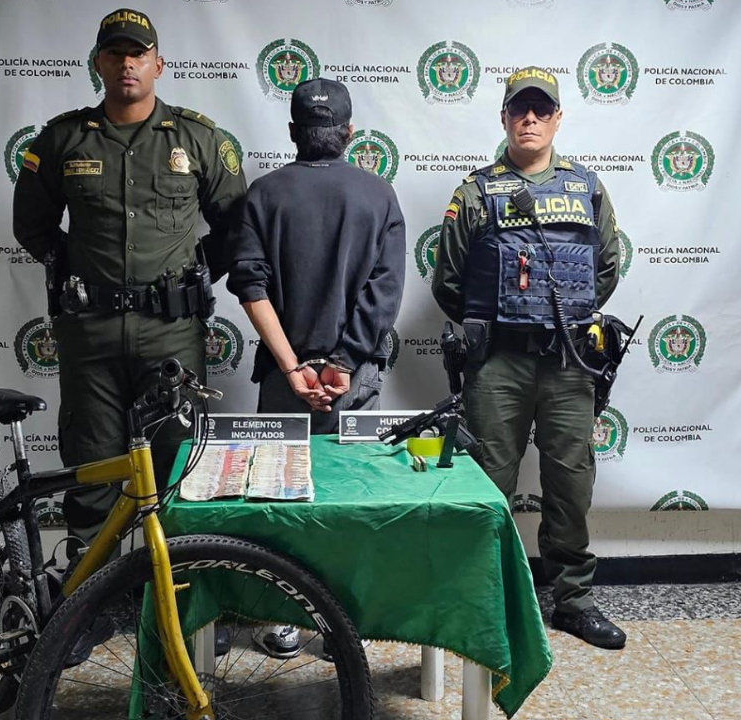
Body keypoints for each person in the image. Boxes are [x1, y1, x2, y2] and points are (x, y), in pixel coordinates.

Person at [13, 8, 246, 557]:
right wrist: (83, 277)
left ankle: (179, 613)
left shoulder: (199, 138)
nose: (126, 64)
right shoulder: (62, 140)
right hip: (89, 335)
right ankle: (84, 618)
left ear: (158, 64)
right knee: (92, 476)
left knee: (176, 472)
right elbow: (34, 227)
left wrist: (190, 276)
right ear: (97, 62)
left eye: (138, 53)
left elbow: (235, 227)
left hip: (171, 334)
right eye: (115, 53)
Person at [431, 67, 627, 649]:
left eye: (542, 110)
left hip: (570, 364)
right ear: (504, 118)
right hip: (498, 366)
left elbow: (607, 266)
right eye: (521, 109)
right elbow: (450, 281)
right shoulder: (474, 191)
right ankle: (484, 594)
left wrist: (561, 318)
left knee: (570, 481)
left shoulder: (587, 187)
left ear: (558, 118)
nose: (531, 119)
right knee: (489, 479)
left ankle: (571, 599)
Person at [227, 78, 405, 657]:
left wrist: (292, 368)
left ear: (292, 133)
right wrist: (345, 363)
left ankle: (282, 617)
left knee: (281, 500)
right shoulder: (379, 195)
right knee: (351, 498)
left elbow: (250, 286)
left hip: (286, 381)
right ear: (350, 134)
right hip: (355, 382)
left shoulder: (262, 194)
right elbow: (385, 291)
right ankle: (344, 620)